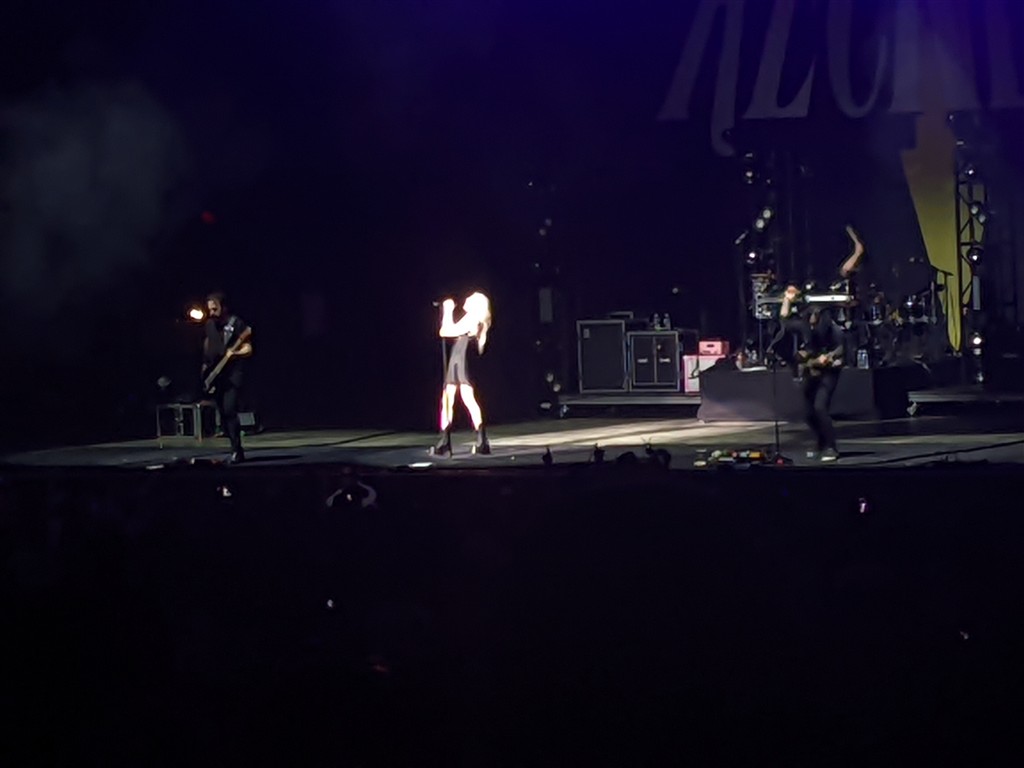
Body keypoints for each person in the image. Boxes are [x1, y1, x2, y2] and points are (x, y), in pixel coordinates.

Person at [781, 285, 845, 462]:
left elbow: (841, 350)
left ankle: (831, 447)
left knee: (820, 407)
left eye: (815, 315)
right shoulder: (805, 327)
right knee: (807, 411)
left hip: (829, 372)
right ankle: (820, 442)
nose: (812, 319)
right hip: (812, 371)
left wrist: (830, 358)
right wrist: (787, 299)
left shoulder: (833, 330)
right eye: (809, 315)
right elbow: (785, 320)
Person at [433, 291, 492, 456]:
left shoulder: (473, 318)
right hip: (460, 354)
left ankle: (447, 440)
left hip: (461, 354)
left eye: (471, 297)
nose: (467, 297)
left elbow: (445, 331)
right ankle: (480, 440)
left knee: (455, 397)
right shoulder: (473, 319)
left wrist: (448, 310)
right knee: (458, 397)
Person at [202, 291, 253, 464]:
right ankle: (233, 447)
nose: (212, 312)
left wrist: (235, 353)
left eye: (215, 309)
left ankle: (237, 450)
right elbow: (208, 345)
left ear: (223, 307)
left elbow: (248, 348)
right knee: (223, 414)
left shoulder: (236, 323)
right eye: (209, 309)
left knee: (230, 409)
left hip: (233, 375)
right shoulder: (209, 324)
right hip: (217, 375)